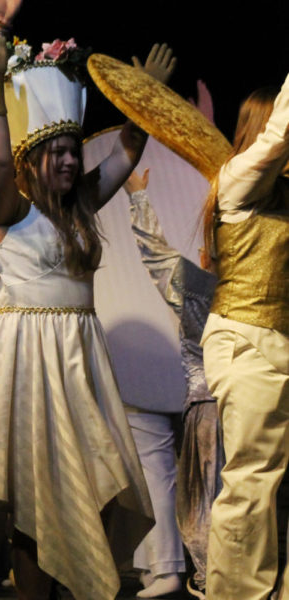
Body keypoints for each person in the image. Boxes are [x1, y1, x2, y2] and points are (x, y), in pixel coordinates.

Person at [0, 7, 176, 599]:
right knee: (30, 492)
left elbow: (127, 147)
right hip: (24, 360)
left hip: (77, 358)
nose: (73, 160)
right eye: (61, 151)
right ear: (35, 156)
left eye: (76, 149)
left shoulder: (80, 208)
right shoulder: (10, 209)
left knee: (91, 483)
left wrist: (142, 99)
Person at [201, 73, 289, 600]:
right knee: (252, 482)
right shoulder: (235, 180)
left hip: (279, 341)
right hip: (247, 342)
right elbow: (279, 137)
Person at [122, 168, 221, 599]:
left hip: (209, 420)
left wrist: (138, 197)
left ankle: (212, 583)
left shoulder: (201, 288)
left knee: (210, 516)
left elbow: (157, 255)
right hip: (249, 410)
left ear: (205, 255)